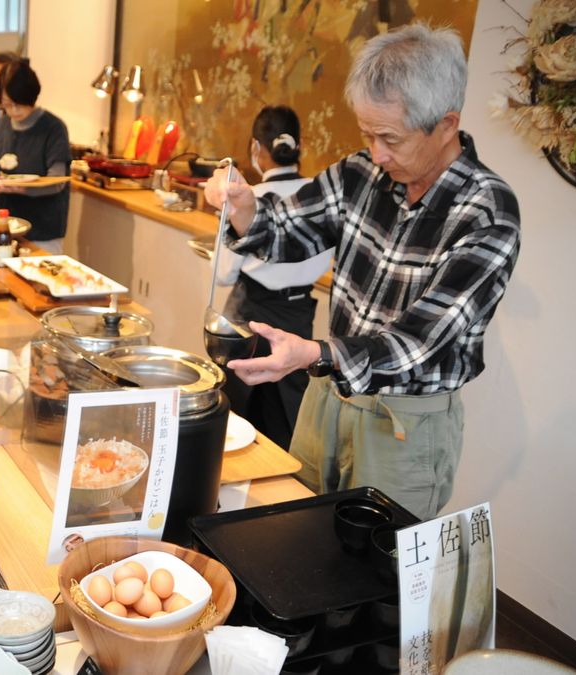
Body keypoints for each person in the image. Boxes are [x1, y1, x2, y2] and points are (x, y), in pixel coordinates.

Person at [204, 24, 521, 520]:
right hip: (329, 395)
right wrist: (244, 207)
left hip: (404, 424)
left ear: (446, 124)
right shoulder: (363, 174)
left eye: (390, 138)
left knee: (377, 571)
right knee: (297, 532)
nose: (376, 153)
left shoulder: (486, 212)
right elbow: (286, 229)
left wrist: (315, 352)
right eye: (368, 134)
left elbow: (419, 342)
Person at [217, 105, 333, 450]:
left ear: (257, 148)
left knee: (237, 419)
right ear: (300, 147)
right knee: (287, 420)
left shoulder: (248, 199)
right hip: (299, 318)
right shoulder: (322, 197)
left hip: (251, 316)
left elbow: (224, 274)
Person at [0, 59, 71, 253]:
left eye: (19, 104)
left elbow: (57, 181)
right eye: (7, 105)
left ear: (31, 97)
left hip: (42, 231)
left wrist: (20, 189)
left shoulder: (53, 128)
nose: (13, 111)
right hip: (2, 227)